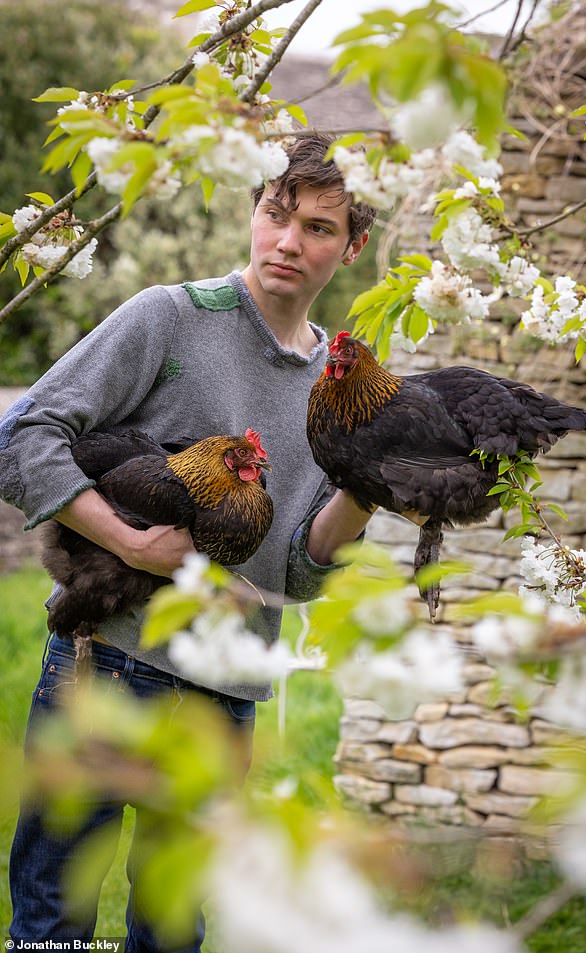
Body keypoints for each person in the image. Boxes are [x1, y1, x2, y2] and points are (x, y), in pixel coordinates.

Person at [0, 133, 377, 949]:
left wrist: (368, 482)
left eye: (317, 227)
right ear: (252, 211)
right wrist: (127, 544)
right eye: (276, 214)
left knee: (173, 927)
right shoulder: (168, 317)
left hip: (224, 696)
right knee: (52, 919)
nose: (288, 241)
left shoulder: (335, 385)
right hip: (104, 666)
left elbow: (298, 573)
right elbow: (23, 437)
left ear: (353, 247)